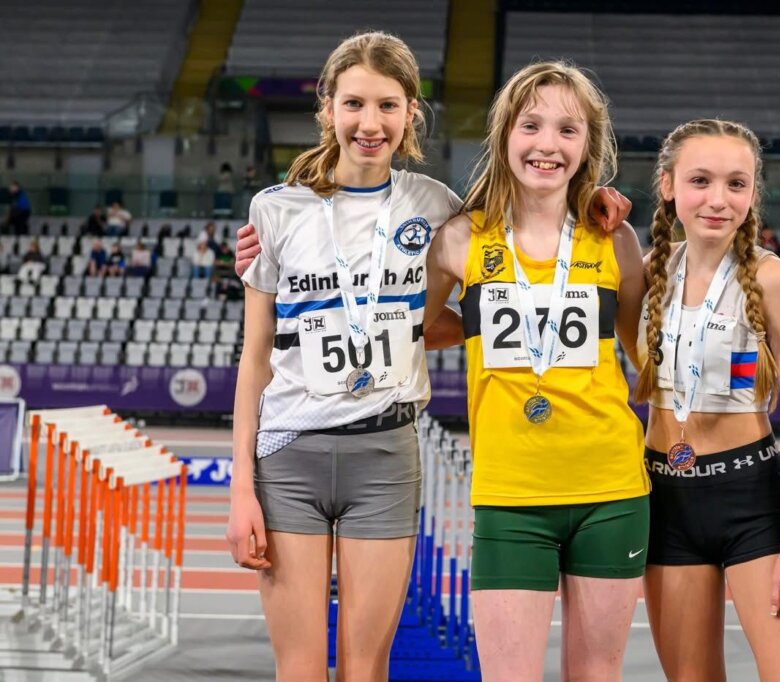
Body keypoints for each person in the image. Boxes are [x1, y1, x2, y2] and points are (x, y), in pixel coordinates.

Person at [227, 36, 631, 681]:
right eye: (354, 103)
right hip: (288, 454)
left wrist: (595, 198)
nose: (369, 122)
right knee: (299, 667)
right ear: (327, 107)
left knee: (367, 666)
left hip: (385, 454)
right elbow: (254, 361)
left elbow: (506, 271)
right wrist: (241, 488)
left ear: (410, 111)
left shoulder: (438, 207)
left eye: (387, 105)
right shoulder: (275, 211)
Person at [425, 61, 649, 681]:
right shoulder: (458, 239)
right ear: (504, 136)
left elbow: (644, 356)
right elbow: (411, 324)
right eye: (531, 125)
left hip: (611, 489)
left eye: (567, 131)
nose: (547, 144)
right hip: (510, 495)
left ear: (588, 148)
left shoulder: (617, 239)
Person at [634, 119, 780, 680]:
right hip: (666, 500)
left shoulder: (776, 280)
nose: (718, 200)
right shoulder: (647, 274)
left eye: (736, 184)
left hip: (752, 502)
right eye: (701, 181)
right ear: (668, 185)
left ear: (753, 194)